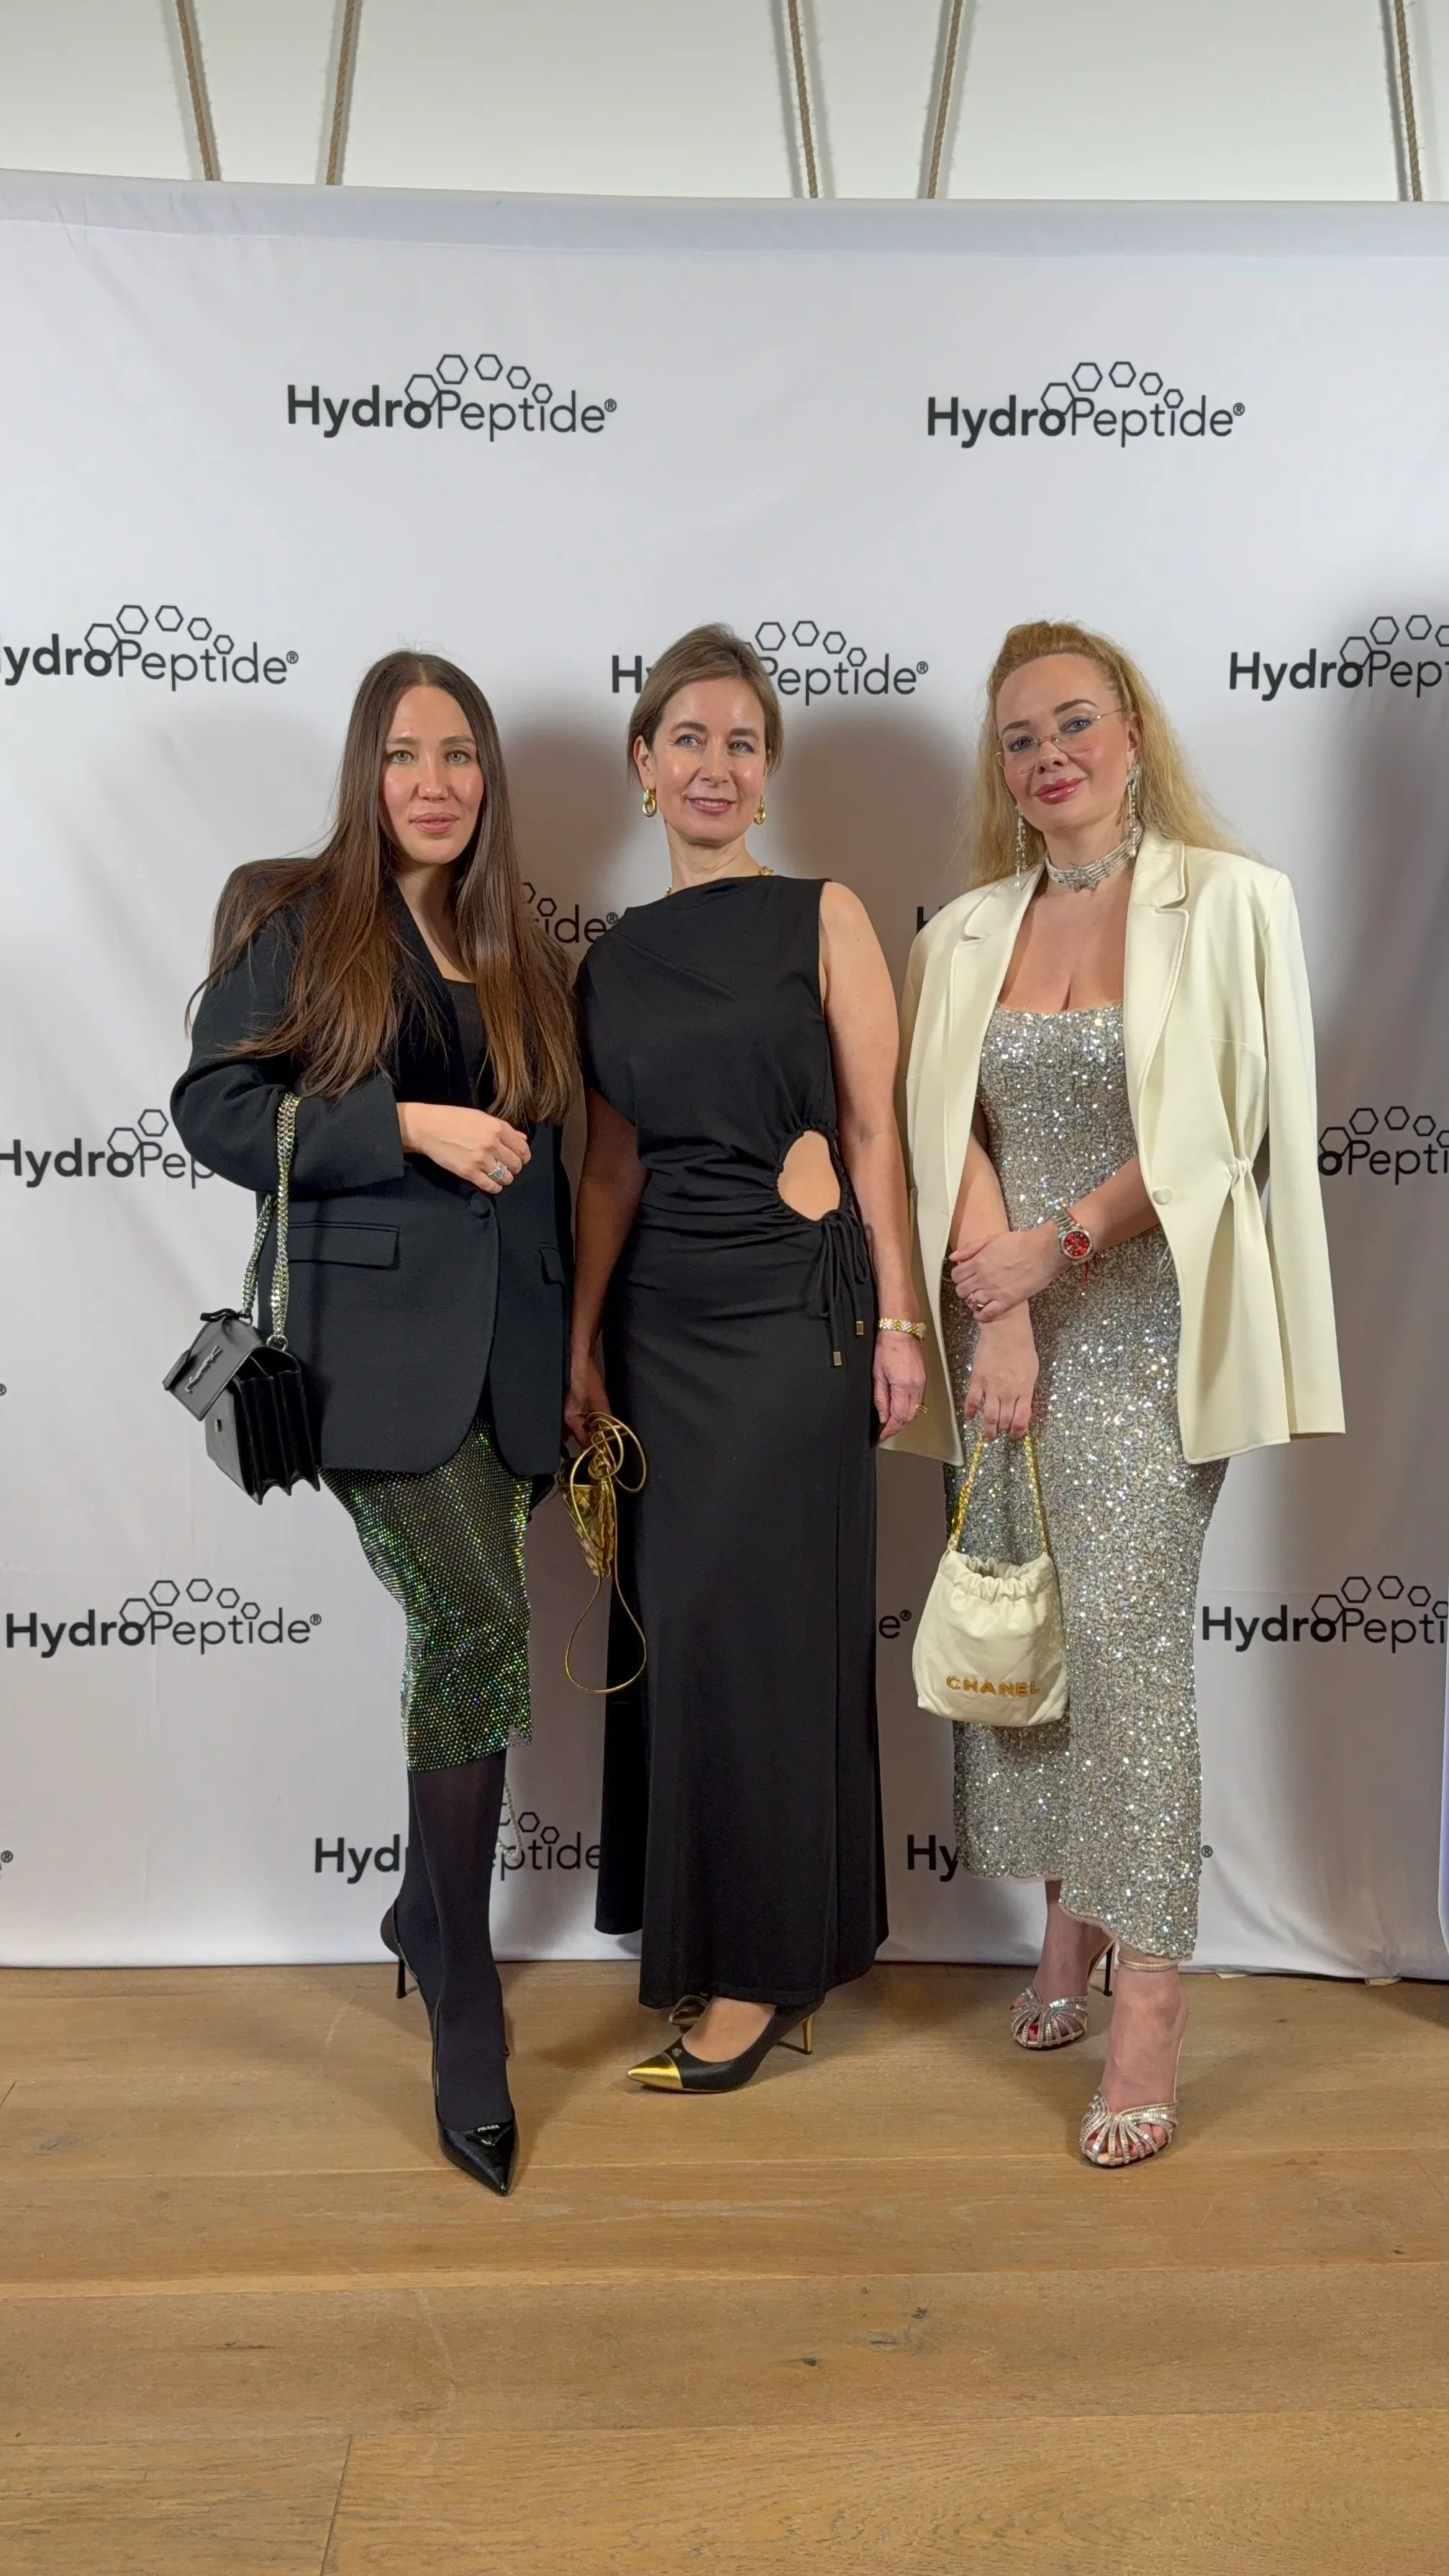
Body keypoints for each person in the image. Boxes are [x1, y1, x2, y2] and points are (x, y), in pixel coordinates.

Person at [895, 618, 1342, 2167]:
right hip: (1006, 1328)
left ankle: (1148, 2000)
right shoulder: (961, 931)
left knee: (1131, 1656)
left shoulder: (1229, 900)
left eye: (1073, 722)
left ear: (1132, 732)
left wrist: (1062, 1245)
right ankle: (1064, 1931)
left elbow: (1222, 1126)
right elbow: (943, 1124)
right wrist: (1003, 1304)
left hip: (1151, 1326)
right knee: (1028, 1635)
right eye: (1018, 737)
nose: (1048, 756)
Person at [171, 650, 576, 2196]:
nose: (434, 782)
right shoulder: (292, 914)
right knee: (475, 1616)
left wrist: (577, 1356)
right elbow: (213, 1110)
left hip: (511, 1367)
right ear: (366, 769)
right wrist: (398, 1121)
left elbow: (549, 1171)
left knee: (468, 1627)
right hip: (368, 1361)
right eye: (405, 753)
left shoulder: (519, 946)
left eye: (458, 754)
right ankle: (462, 1991)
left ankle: (419, 1912)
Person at [568, 624, 926, 2093]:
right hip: (658, 1324)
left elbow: (874, 1132)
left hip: (793, 1312)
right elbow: (608, 1168)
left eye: (740, 742)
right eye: (687, 739)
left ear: (765, 772)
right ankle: (742, 1943)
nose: (713, 765)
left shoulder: (821, 914)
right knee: (687, 1632)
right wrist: (581, 1339)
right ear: (642, 765)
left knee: (764, 1631)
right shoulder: (611, 959)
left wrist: (898, 1318)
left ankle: (758, 1974)